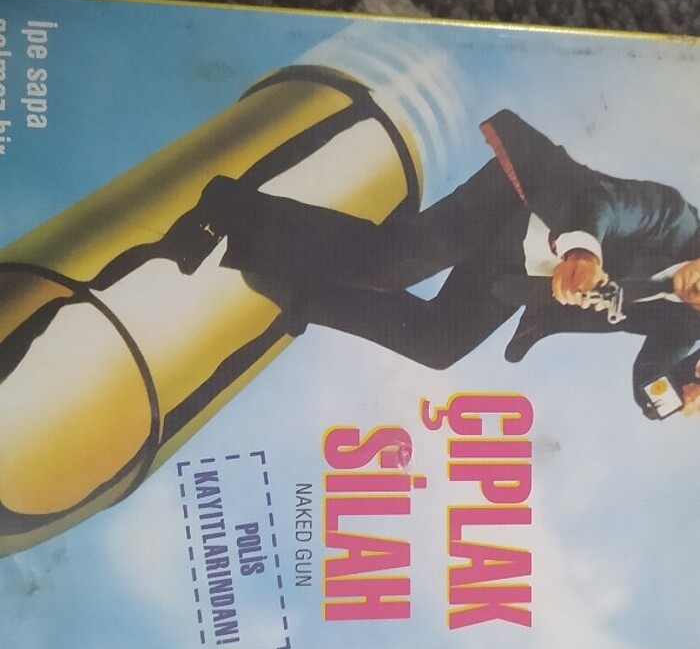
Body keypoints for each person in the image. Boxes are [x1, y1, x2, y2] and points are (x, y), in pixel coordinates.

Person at [118, 109, 700, 418]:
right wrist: (583, 250)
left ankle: (300, 295)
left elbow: (649, 386)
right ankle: (228, 207)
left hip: (517, 271)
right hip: (519, 204)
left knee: (438, 344)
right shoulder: (677, 220)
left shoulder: (685, 328)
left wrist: (682, 388)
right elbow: (608, 202)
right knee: (391, 263)